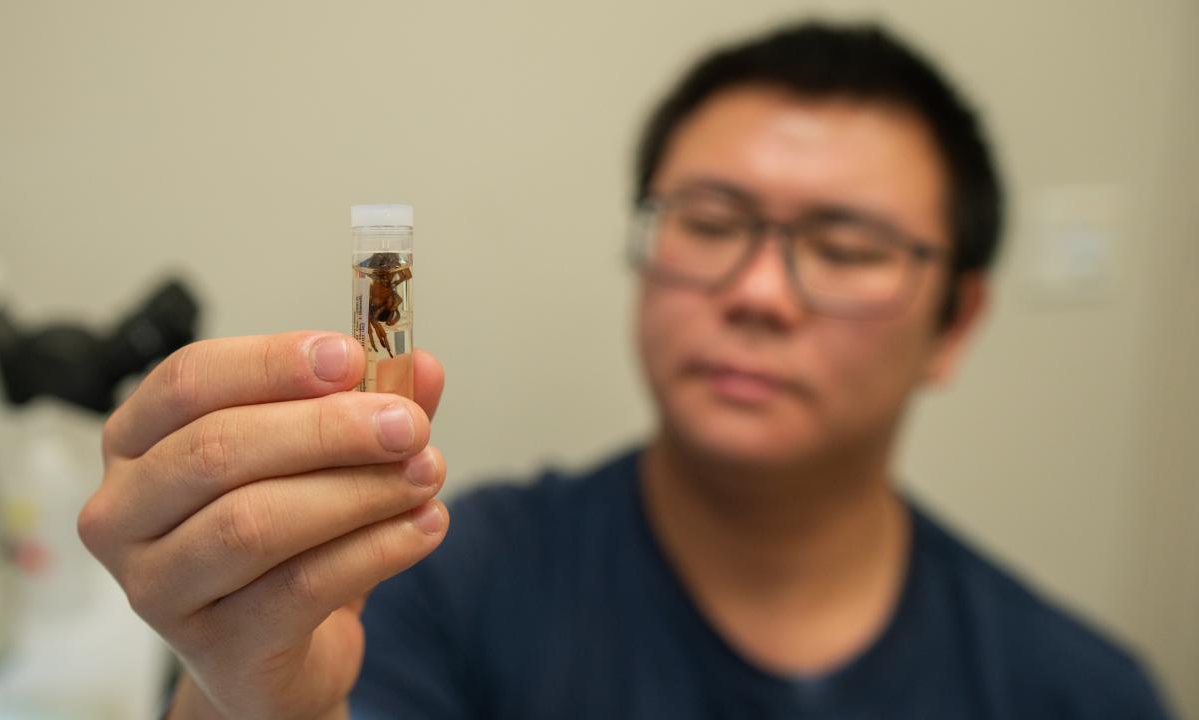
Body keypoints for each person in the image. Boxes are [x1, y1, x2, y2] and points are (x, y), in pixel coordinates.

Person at [79, 20, 1172, 720]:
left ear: (954, 320)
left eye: (843, 248)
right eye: (709, 221)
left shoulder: (1075, 692)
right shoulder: (435, 584)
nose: (757, 291)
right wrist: (253, 697)